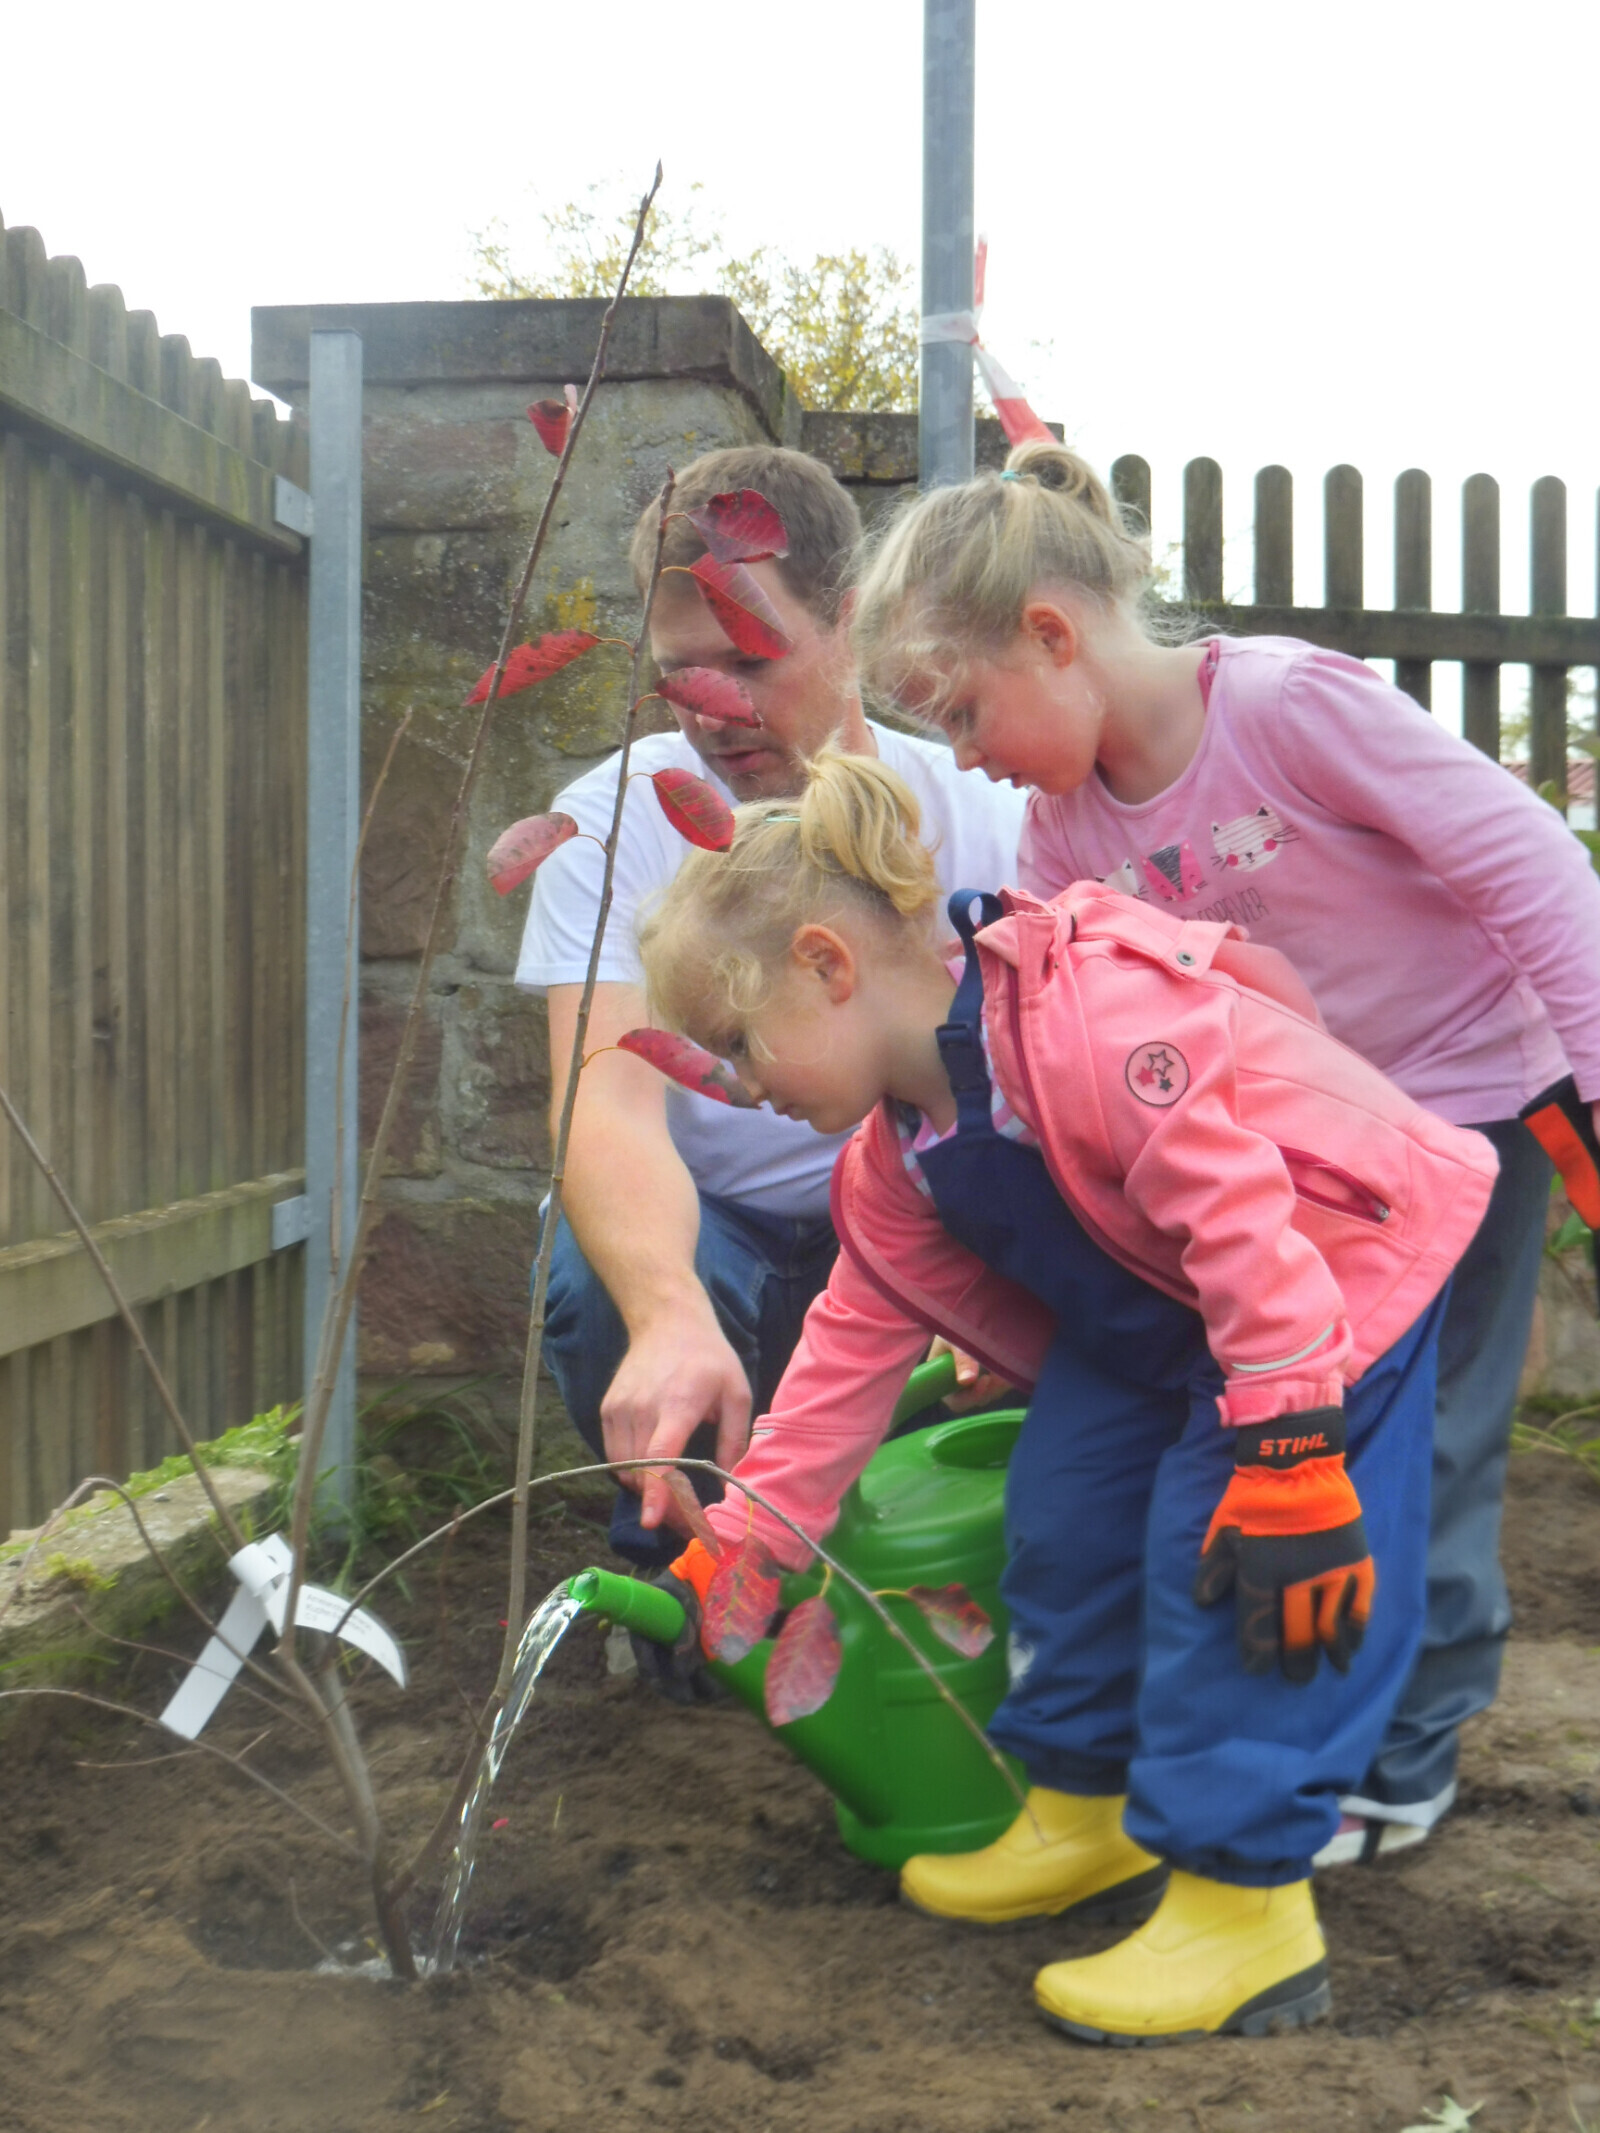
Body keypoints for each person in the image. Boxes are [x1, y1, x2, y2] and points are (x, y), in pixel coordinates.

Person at [632, 748, 1496, 2044]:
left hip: (1328, 1274)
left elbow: (1247, 1224)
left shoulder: (1086, 1016)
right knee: (1066, 1510)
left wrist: (1294, 1454)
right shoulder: (894, 1167)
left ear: (827, 964)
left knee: (1234, 1564)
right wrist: (751, 1538)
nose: (742, 1087)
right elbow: (843, 1361)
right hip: (1169, 1312)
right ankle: (1085, 1807)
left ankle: (1246, 1909)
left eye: (740, 1044)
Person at [846, 438, 1600, 1866]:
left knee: (1430, 1438)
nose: (963, 758)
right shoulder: (1061, 841)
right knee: (1304, 1425)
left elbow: (1535, 868)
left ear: (1053, 637)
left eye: (961, 710)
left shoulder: (1283, 709)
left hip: (1461, 1114)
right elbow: (1062, 1062)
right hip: (1288, 1162)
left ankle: (1408, 1754)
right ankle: (1266, 1736)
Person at [515, 445, 1024, 1570]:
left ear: (848, 619)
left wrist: (1003, 1267)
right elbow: (603, 1108)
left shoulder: (981, 809)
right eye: (680, 672)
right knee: (605, 1280)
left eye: (748, 661)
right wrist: (663, 1314)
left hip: (923, 1219)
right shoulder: (606, 826)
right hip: (720, 1234)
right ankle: (676, 1559)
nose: (713, 709)